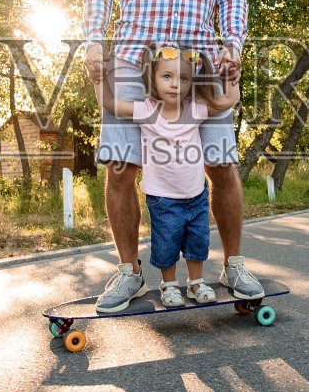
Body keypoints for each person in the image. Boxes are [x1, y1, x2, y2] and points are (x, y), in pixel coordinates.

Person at [81, 0, 264, 315]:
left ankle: (235, 264)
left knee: (221, 163)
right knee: (122, 168)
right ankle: (128, 272)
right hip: (134, 59)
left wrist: (232, 45)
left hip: (200, 66)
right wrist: (94, 41)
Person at [95, 45, 241, 308]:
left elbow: (227, 101)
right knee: (166, 245)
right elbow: (109, 103)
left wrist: (232, 79)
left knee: (197, 242)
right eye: (167, 77)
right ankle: (169, 285)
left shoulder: (195, 108)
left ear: (191, 81)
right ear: (152, 78)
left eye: (183, 78)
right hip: (163, 198)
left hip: (196, 195)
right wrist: (99, 79)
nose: (175, 85)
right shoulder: (146, 110)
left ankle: (196, 283)